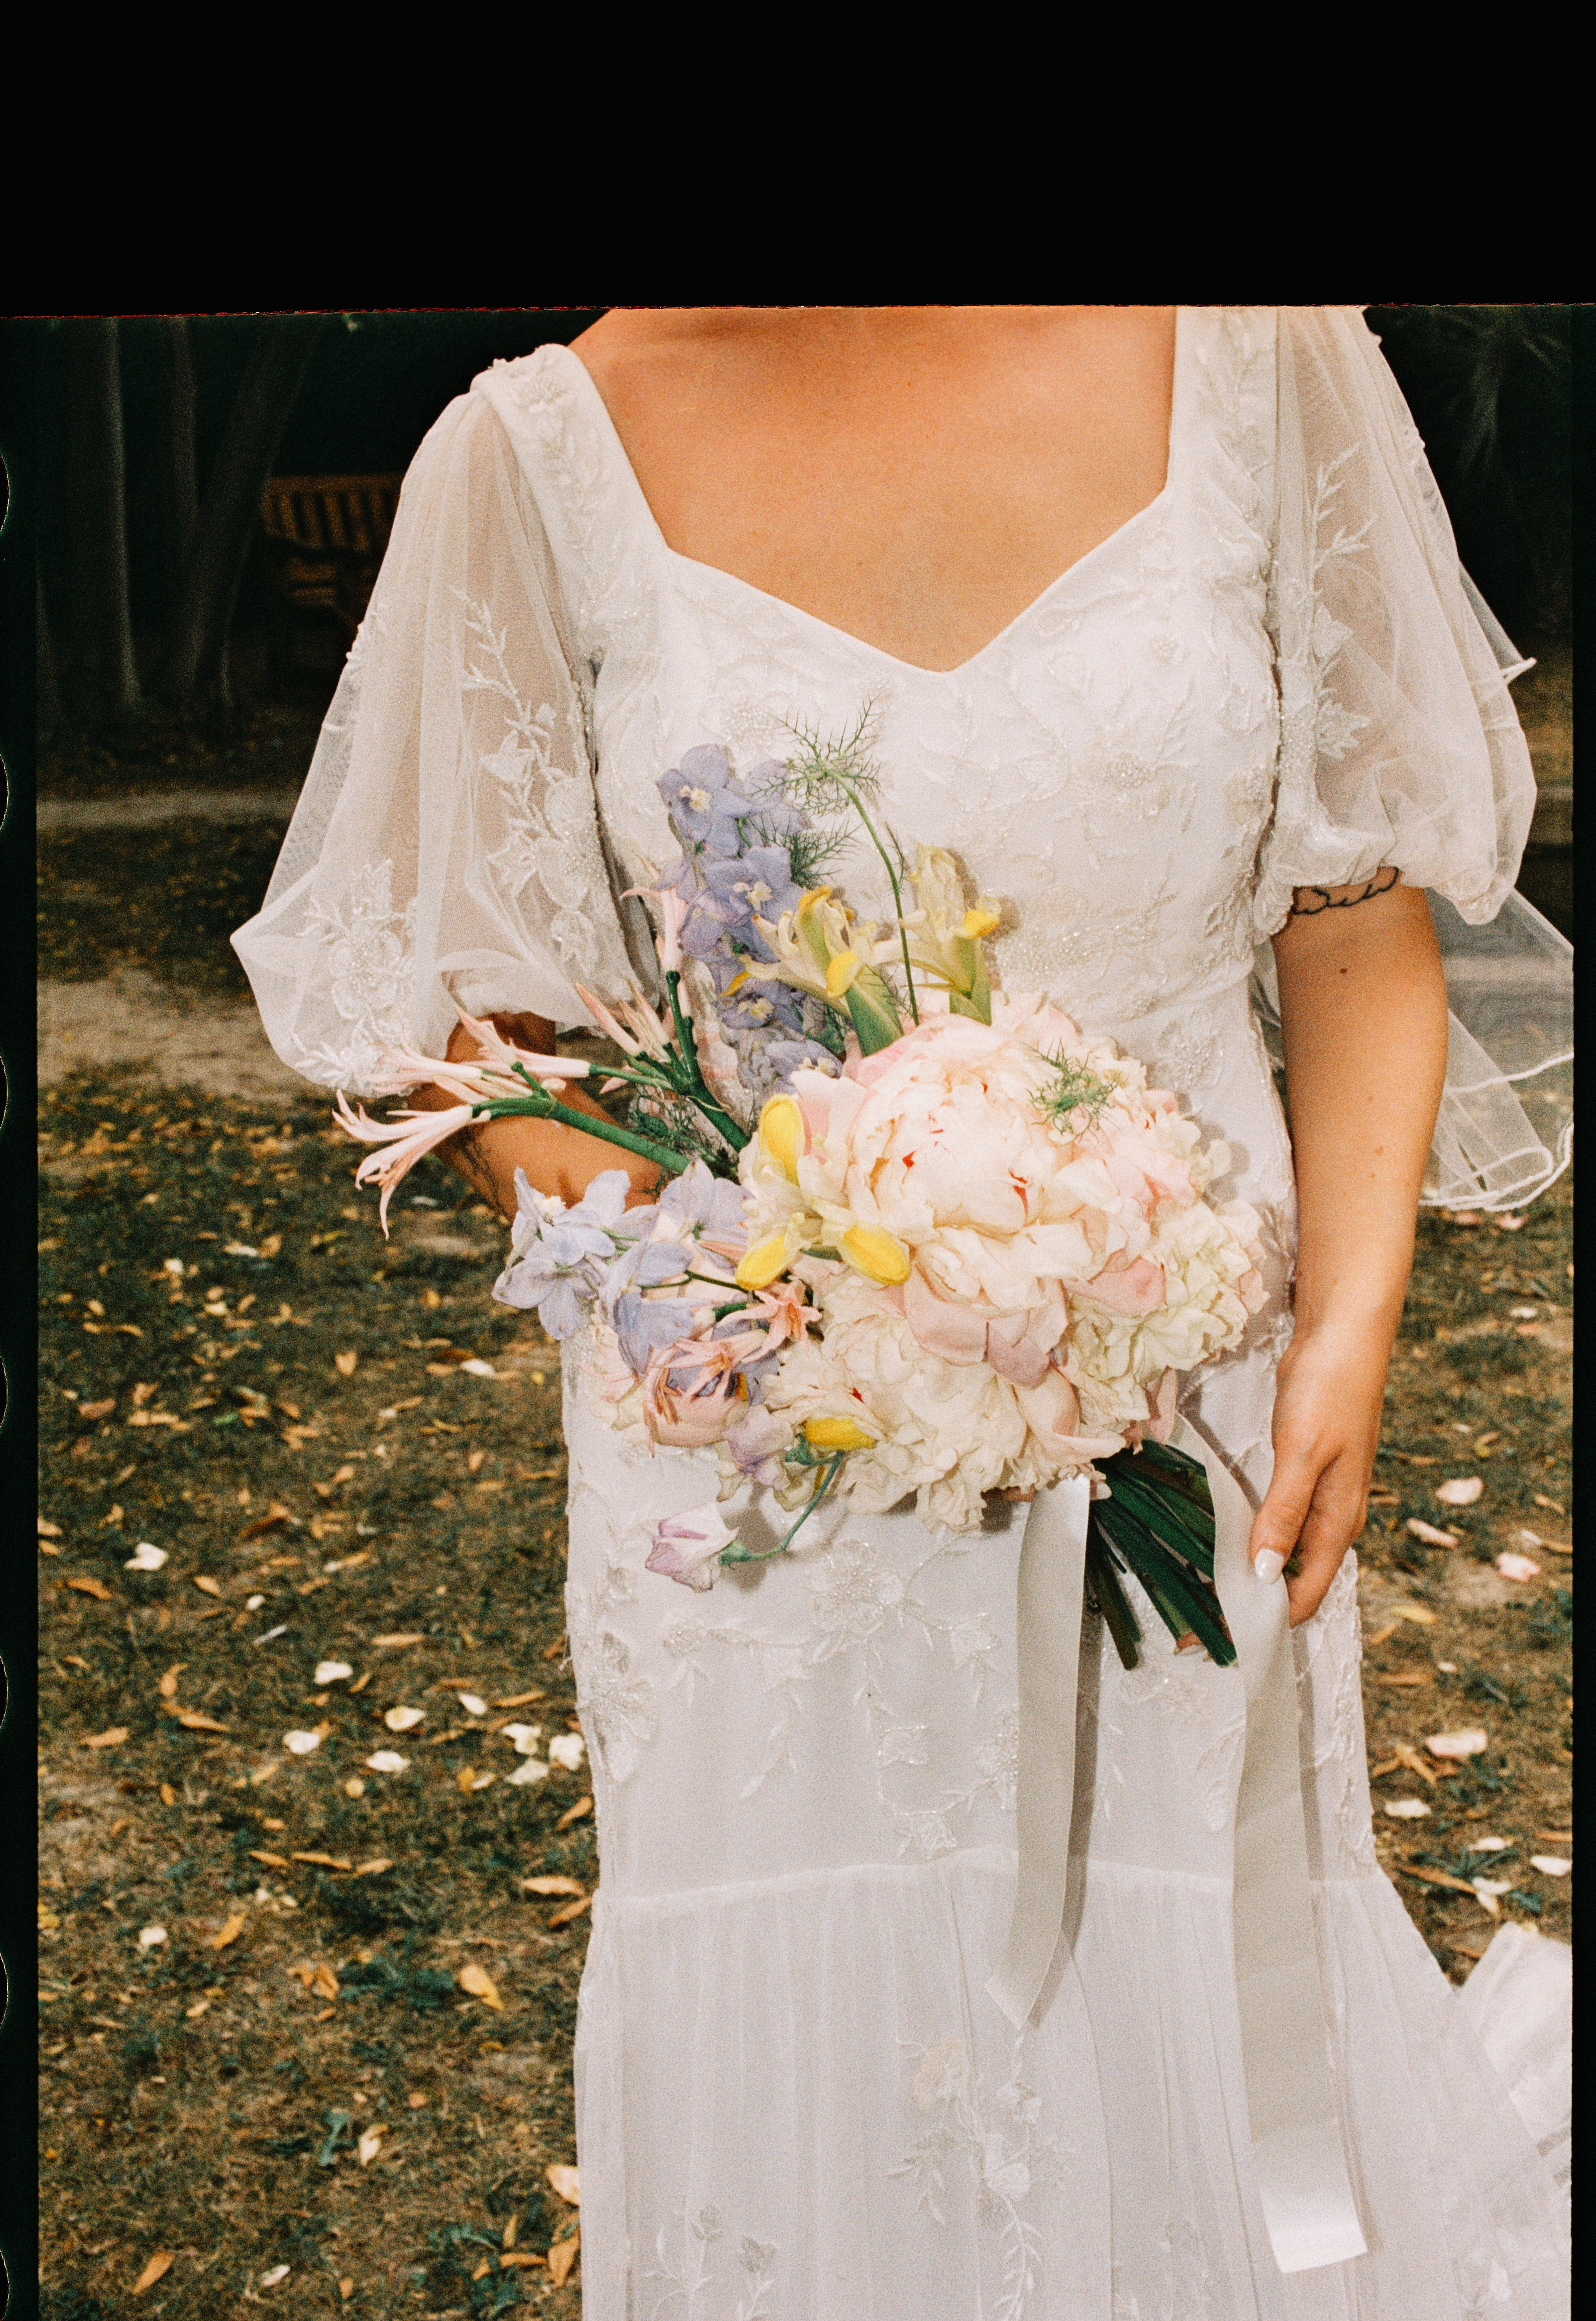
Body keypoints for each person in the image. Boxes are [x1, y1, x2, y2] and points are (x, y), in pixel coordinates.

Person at [234, 307, 1571, 2318]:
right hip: (777, 1473)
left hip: (1190, 1411)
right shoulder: (526, 463)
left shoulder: (1271, 366)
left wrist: (1347, 1329)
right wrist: (820, 1302)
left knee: (1205, 1979)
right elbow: (493, 1033)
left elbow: (1359, 904)